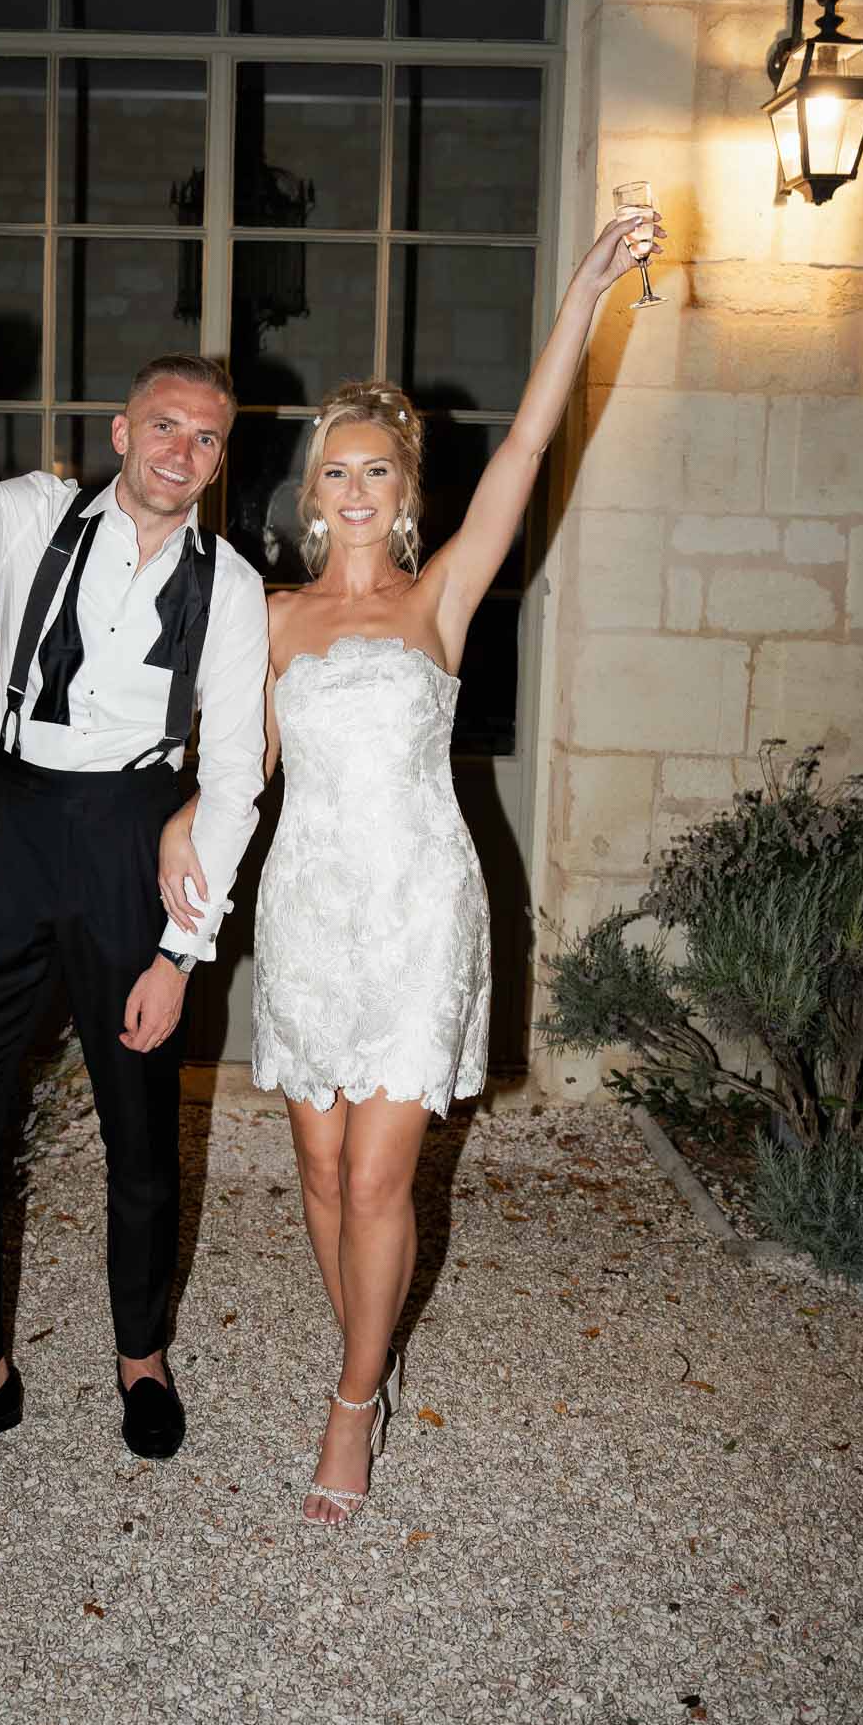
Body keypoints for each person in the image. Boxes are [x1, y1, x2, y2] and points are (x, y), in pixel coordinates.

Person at [160, 211, 664, 1524]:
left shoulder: (440, 598)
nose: (357, 488)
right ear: (311, 494)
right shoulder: (268, 620)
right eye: (337, 470)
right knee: (320, 1175)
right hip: (313, 913)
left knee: (381, 1175)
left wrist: (581, 303)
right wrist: (174, 828)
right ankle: (369, 1349)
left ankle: (349, 1400)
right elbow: (240, 774)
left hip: (420, 908)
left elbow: (534, 449)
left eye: (379, 469)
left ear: (405, 491)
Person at [0, 328, 268, 1477]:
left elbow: (233, 776)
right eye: (165, 426)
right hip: (12, 822)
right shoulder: (34, 511)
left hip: (133, 838)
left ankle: (143, 1357)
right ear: (124, 432)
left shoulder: (231, 587)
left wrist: (182, 951)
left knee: (139, 1123)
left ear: (220, 463)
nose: (182, 451)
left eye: (207, 438)